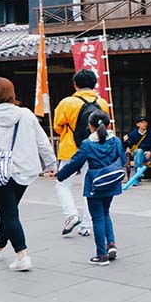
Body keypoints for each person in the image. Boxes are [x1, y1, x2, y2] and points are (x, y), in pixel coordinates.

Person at [0, 77, 57, 271]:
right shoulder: (26, 114)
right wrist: (51, 163)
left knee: (9, 213)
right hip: (25, 170)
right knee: (9, 210)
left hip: (0, 171)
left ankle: (23, 256)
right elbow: (42, 141)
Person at [57, 111, 124, 266]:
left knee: (98, 218)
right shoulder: (116, 140)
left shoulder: (88, 144)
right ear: (108, 125)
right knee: (106, 213)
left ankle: (101, 255)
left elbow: (75, 163)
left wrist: (60, 176)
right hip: (112, 182)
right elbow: (122, 158)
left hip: (95, 184)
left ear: (90, 126)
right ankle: (111, 244)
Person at [53, 69, 110, 237]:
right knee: (89, 187)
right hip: (95, 149)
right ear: (94, 84)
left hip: (71, 149)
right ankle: (86, 225)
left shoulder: (67, 102)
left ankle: (71, 214)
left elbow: (57, 126)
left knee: (62, 184)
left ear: (75, 84)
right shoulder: (103, 102)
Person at [123, 116, 151, 186]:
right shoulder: (133, 134)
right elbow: (128, 146)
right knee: (139, 151)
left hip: (148, 156)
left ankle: (136, 177)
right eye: (142, 122)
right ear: (138, 124)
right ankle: (138, 172)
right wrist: (125, 141)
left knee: (139, 152)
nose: (144, 124)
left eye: (145, 122)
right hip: (137, 155)